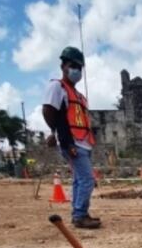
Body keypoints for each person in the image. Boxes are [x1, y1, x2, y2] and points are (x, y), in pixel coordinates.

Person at [42, 46, 100, 229]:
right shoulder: (57, 87)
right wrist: (59, 136)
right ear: (63, 66)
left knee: (79, 180)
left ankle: (79, 213)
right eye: (73, 66)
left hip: (84, 142)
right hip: (72, 142)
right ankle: (80, 215)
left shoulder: (78, 95)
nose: (76, 70)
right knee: (87, 180)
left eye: (79, 67)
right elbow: (49, 110)